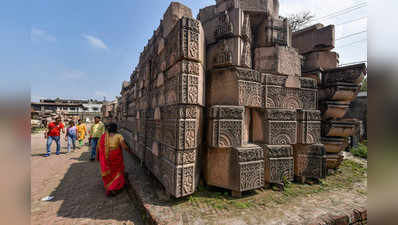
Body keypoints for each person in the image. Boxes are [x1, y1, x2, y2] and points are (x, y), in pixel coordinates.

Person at [97, 123, 130, 196]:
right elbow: (124, 147)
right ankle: (113, 188)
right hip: (116, 156)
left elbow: (99, 146)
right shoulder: (119, 136)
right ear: (116, 129)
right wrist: (129, 149)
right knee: (118, 171)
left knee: (111, 172)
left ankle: (110, 185)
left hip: (107, 156)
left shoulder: (104, 136)